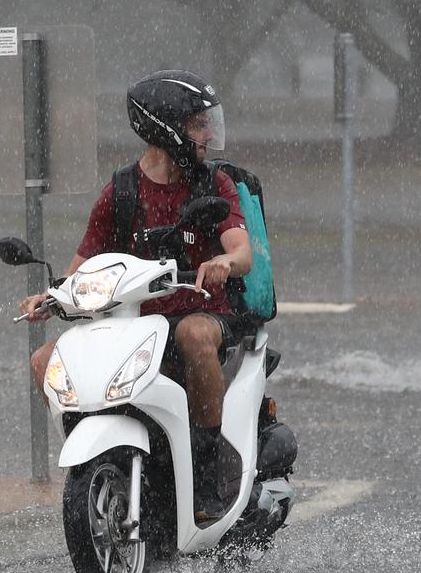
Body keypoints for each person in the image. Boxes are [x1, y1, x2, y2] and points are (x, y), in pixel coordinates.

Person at [19, 69, 252, 521]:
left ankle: (205, 474)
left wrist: (226, 263)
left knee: (194, 336)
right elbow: (82, 264)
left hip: (202, 312)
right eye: (198, 124)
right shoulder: (120, 192)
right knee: (45, 361)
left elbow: (242, 251)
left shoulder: (213, 185)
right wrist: (49, 298)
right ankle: (98, 462)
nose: (208, 134)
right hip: (135, 326)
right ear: (166, 127)